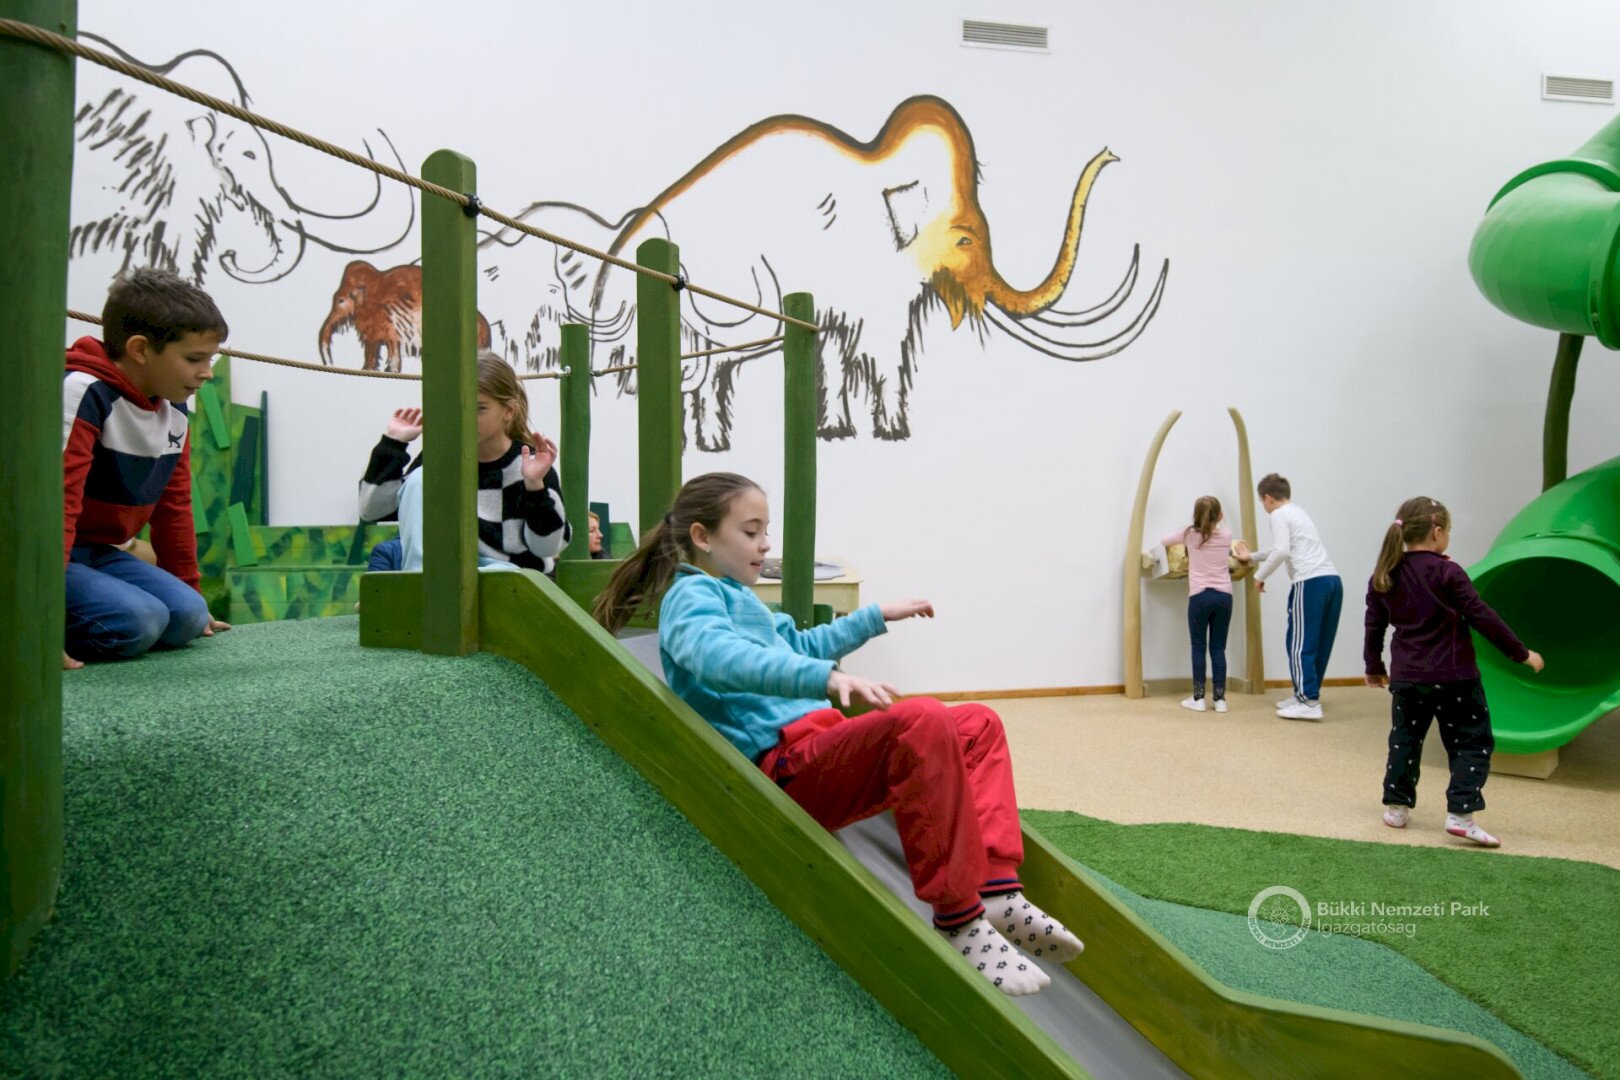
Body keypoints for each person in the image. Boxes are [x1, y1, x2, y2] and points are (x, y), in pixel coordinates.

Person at [593, 472, 1083, 997]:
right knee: (921, 719)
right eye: (751, 532)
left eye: (766, 531)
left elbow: (801, 647)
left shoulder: (743, 599)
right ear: (702, 536)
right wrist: (823, 679)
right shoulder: (691, 598)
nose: (765, 544)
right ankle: (959, 918)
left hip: (820, 749)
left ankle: (998, 889)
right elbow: (717, 658)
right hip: (785, 768)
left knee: (977, 724)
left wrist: (876, 617)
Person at [62, 269, 233, 668]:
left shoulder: (173, 407)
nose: (207, 371)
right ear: (140, 349)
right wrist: (38, 622)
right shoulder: (83, 392)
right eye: (194, 358)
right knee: (138, 621)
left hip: (99, 552)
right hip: (51, 552)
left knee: (188, 615)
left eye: (210, 359)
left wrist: (189, 588)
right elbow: (57, 504)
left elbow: (174, 506)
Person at [1364, 497, 1543, 848]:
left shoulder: (1384, 574)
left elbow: (1374, 626)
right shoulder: (1449, 572)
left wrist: (1374, 667)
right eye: (1448, 530)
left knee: (1404, 739)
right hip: (1455, 678)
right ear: (1437, 531)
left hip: (1408, 678)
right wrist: (1520, 653)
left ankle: (1397, 809)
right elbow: (1482, 616)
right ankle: (1461, 815)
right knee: (1472, 741)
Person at [357, 352, 570, 574]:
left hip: (512, 581)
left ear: (508, 411)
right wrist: (393, 444)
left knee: (498, 571)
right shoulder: (440, 459)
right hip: (448, 577)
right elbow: (371, 511)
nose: (465, 417)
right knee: (420, 477)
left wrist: (535, 487)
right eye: (457, 406)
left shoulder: (530, 463)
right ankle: (421, 575)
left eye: (479, 408)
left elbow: (547, 547)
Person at [1233, 473, 1342, 720]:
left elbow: (1281, 551)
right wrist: (1251, 556)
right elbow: (1282, 549)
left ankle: (1308, 701)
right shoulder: (1298, 512)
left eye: (1262, 502)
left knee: (1299, 643)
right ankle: (1305, 693)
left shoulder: (1278, 515)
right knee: (1319, 643)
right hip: (1332, 580)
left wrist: (1259, 575)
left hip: (1309, 582)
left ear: (1268, 498)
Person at [1161, 496, 1235, 713]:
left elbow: (1164, 540)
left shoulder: (1189, 534)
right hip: (1224, 597)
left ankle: (1199, 698)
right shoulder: (1227, 535)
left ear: (1195, 515)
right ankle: (1220, 700)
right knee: (1219, 649)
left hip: (1200, 597)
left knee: (1198, 647)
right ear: (1220, 516)